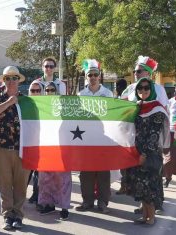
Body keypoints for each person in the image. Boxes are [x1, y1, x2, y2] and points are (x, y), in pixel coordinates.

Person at [0, 66, 30, 230]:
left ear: (19, 81)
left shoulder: (27, 101)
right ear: (4, 81)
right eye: (8, 78)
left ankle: (18, 215)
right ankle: (7, 216)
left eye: (14, 78)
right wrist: (8, 102)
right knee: (4, 185)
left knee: (20, 185)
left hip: (22, 149)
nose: (11, 81)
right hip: (1, 149)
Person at [121, 55, 166, 215]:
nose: (136, 73)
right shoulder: (131, 89)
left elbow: (161, 112)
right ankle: (144, 205)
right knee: (139, 176)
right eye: (134, 71)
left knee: (153, 173)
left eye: (139, 71)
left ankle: (156, 204)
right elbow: (123, 106)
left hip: (153, 140)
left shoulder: (158, 89)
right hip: (135, 138)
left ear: (148, 73)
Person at [126, 77, 170, 226]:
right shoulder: (138, 107)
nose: (143, 91)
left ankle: (151, 217)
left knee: (149, 186)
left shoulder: (157, 109)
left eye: (146, 88)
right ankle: (145, 216)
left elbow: (154, 134)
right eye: (140, 88)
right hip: (136, 152)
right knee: (140, 185)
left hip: (149, 154)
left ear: (151, 90)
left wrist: (144, 154)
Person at [76, 59, 113, 214]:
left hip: (103, 138)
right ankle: (87, 201)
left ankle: (103, 202)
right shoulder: (81, 94)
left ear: (99, 76)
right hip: (85, 138)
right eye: (89, 74)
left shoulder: (108, 93)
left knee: (103, 172)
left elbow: (112, 115)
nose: (92, 77)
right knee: (85, 172)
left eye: (95, 74)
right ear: (86, 77)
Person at [37, 81, 72, 220]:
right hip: (45, 146)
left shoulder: (64, 107)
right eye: (47, 90)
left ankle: (64, 207)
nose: (49, 92)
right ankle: (48, 204)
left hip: (61, 146)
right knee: (45, 178)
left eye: (52, 90)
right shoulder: (39, 107)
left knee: (62, 179)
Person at [27, 80, 44, 206]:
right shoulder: (25, 104)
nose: (36, 93)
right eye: (33, 90)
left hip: (42, 143)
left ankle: (37, 195)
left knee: (39, 173)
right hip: (28, 143)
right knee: (26, 172)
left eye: (38, 90)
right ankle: (19, 198)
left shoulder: (46, 105)